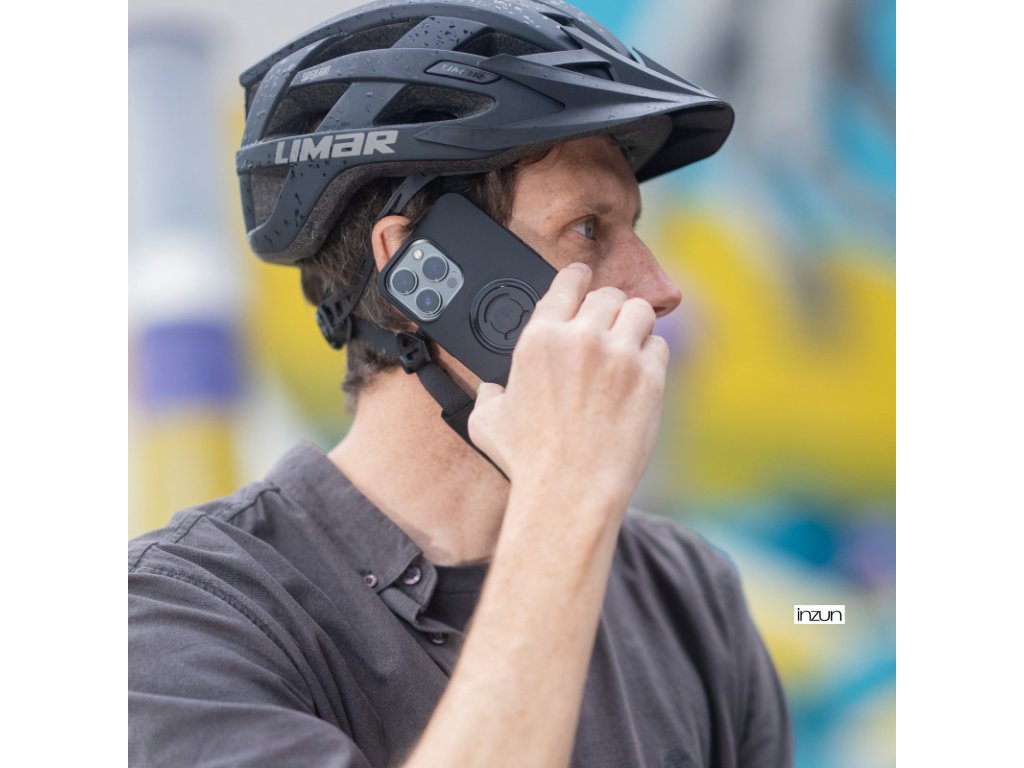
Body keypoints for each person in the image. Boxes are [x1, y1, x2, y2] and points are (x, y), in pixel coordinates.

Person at [128, 1, 792, 766]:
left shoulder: (688, 596)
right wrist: (566, 488)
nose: (660, 288)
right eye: (588, 228)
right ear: (420, 267)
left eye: (633, 228)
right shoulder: (180, 623)